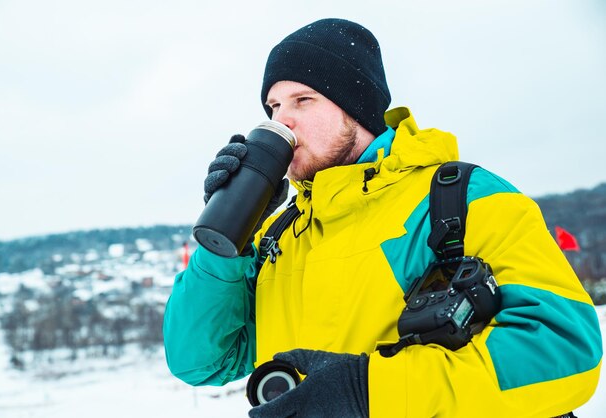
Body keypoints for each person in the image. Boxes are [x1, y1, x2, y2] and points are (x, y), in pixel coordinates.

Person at [163, 18, 602, 417]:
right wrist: (227, 239)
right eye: (273, 107)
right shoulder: (281, 235)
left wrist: (369, 391)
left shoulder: (463, 198)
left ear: (357, 108)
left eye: (303, 100)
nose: (284, 121)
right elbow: (200, 361)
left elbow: (565, 348)